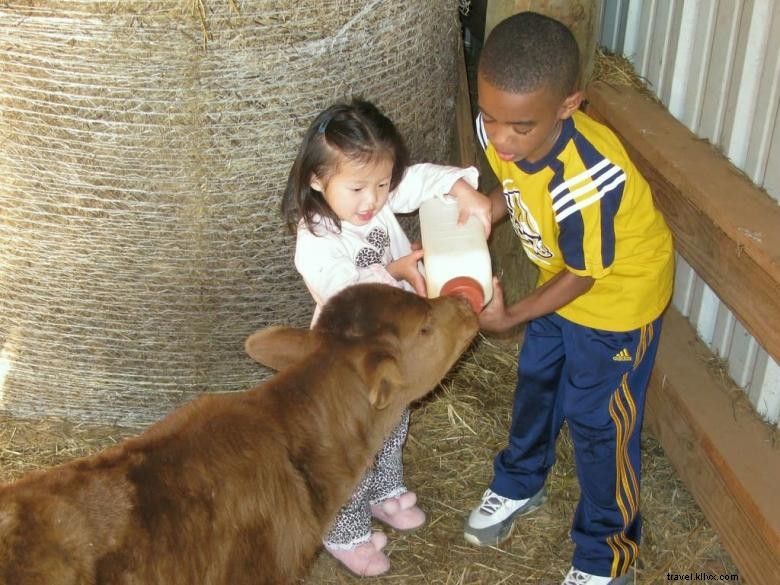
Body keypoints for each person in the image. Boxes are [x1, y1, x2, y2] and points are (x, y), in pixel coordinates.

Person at [462, 12, 674, 585]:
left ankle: (608, 551)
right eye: (490, 118)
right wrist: (490, 206)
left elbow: (585, 275)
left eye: (519, 127)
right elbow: (517, 183)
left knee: (598, 420)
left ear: (568, 105)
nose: (500, 139)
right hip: (561, 281)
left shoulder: (587, 179)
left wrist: (509, 319)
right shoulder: (505, 126)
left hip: (615, 304)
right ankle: (519, 480)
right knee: (537, 380)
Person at [282, 98, 491, 577]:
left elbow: (417, 179)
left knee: (393, 424)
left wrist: (464, 191)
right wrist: (392, 270)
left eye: (380, 184)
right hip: (347, 363)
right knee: (351, 444)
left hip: (392, 348)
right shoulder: (316, 235)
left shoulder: (375, 199)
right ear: (318, 179)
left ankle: (384, 490)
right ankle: (344, 530)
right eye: (357, 187)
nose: (372, 200)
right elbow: (340, 291)